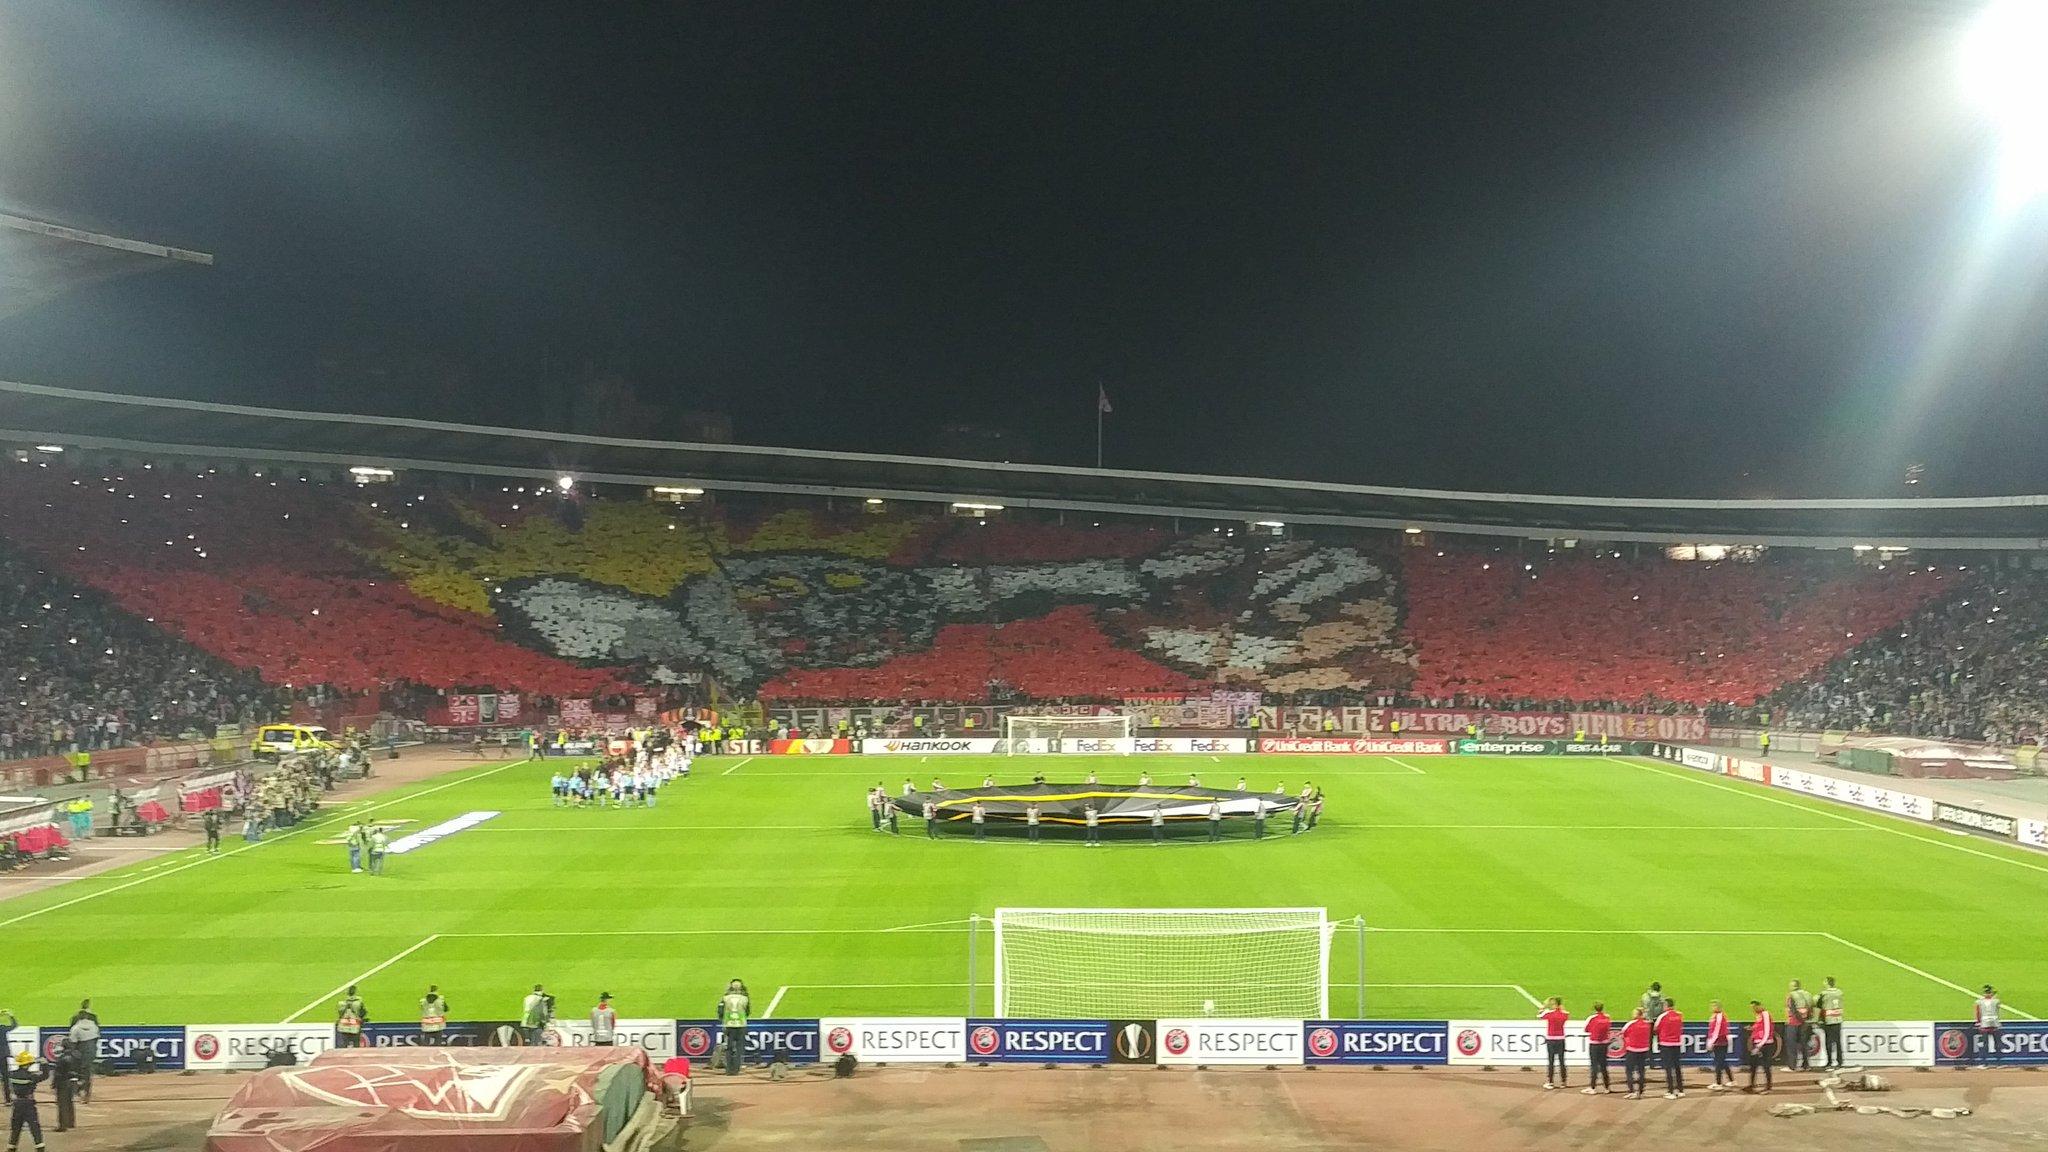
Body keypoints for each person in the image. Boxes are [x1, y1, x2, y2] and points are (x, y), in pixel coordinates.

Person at [6, 1052, 43, 1152]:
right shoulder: (31, 1076)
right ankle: (40, 1148)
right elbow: (45, 1076)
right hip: (28, 1104)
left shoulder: (12, 1075)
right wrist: (45, 1064)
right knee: (34, 1127)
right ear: (27, 1064)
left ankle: (11, 1148)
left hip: (17, 1104)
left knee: (16, 1128)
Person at [718, 981, 750, 1076]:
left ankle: (729, 1070)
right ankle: (736, 1069)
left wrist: (723, 1021)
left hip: (729, 1025)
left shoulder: (725, 998)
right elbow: (748, 1011)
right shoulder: (745, 998)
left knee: (729, 1048)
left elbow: (720, 1011)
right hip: (741, 1025)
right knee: (739, 1048)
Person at [1618, 1008, 1651, 1099]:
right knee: (1641, 1071)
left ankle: (1631, 1091)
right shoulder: (1647, 1024)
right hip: (1643, 1050)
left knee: (1629, 1071)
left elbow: (1623, 1033)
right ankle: (1640, 1091)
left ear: (1637, 1014)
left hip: (1632, 1050)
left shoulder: (1631, 1024)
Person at [1654, 998, 1684, 1098]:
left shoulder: (1662, 1016)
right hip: (1677, 1043)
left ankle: (1671, 1091)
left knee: (1668, 1068)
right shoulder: (1679, 1015)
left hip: (1666, 1044)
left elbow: (1656, 1029)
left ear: (1666, 1005)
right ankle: (1680, 1090)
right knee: (1677, 1067)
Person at [1745, 1000, 1777, 1092]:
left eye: (1754, 1007)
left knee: (1766, 1066)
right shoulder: (1758, 1015)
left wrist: (1759, 1046)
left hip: (1765, 1044)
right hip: (1759, 1043)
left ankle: (1768, 1086)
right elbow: (1759, 1027)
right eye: (1752, 1008)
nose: (1753, 1010)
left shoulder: (1765, 1014)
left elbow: (1767, 1031)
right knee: (1753, 1065)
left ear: (1759, 1006)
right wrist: (1752, 1028)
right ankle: (1751, 1085)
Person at [1581, 1002, 1613, 1095]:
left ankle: (1593, 1087)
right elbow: (1608, 1028)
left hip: (1594, 1044)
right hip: (1604, 1044)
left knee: (1594, 1066)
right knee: (1603, 1066)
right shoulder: (1607, 1017)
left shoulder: (1592, 1018)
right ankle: (1607, 1087)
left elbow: (1586, 1029)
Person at [1538, 997, 1569, 1089]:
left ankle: (1550, 1082)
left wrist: (1544, 1006)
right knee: (1562, 1061)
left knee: (1551, 1061)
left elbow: (1539, 1015)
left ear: (1555, 1004)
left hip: (1551, 1039)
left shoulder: (1549, 1014)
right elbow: (1566, 1013)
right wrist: (1561, 1008)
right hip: (1561, 1039)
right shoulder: (1564, 1014)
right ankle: (1563, 1082)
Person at [1784, 979, 1814, 1071]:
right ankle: (1806, 1065)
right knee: (1804, 1044)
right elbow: (1811, 1007)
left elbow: (1793, 1010)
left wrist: (1799, 1019)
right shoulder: (1807, 994)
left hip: (1794, 1022)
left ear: (1793, 986)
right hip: (1805, 1022)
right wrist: (1806, 1020)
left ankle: (1792, 1066)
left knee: (1792, 1045)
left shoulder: (1791, 995)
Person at [1706, 999, 1735, 1090]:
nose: (1712, 1007)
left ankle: (1718, 1083)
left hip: (1720, 1042)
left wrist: (1711, 1042)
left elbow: (1717, 1030)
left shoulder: (1719, 1016)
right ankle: (1731, 1080)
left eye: (1714, 1006)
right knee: (1722, 1062)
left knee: (1718, 1063)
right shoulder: (1716, 1016)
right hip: (1720, 1042)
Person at [47, 1043, 75, 1134]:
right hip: (73, 1082)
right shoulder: (76, 1055)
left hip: (63, 1083)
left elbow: (58, 1073)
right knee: (70, 1102)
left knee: (62, 1104)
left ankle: (62, 1125)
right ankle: (71, 1122)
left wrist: (54, 1084)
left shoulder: (62, 1059)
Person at [1817, 977, 1845, 1070]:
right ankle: (1840, 1062)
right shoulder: (1840, 992)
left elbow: (1819, 1005)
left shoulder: (1824, 994)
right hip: (1838, 1019)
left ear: (1827, 983)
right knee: (1838, 1042)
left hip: (1828, 1020)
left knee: (1828, 1042)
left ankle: (1829, 1062)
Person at [1974, 984, 2003, 1067]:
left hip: (1984, 1024)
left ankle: (1984, 1063)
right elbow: (1997, 1007)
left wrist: (1978, 1022)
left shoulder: (1979, 1002)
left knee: (1985, 1044)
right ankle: (1999, 1063)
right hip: (1995, 1024)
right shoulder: (1996, 1001)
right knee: (1997, 1044)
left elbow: (1977, 1012)